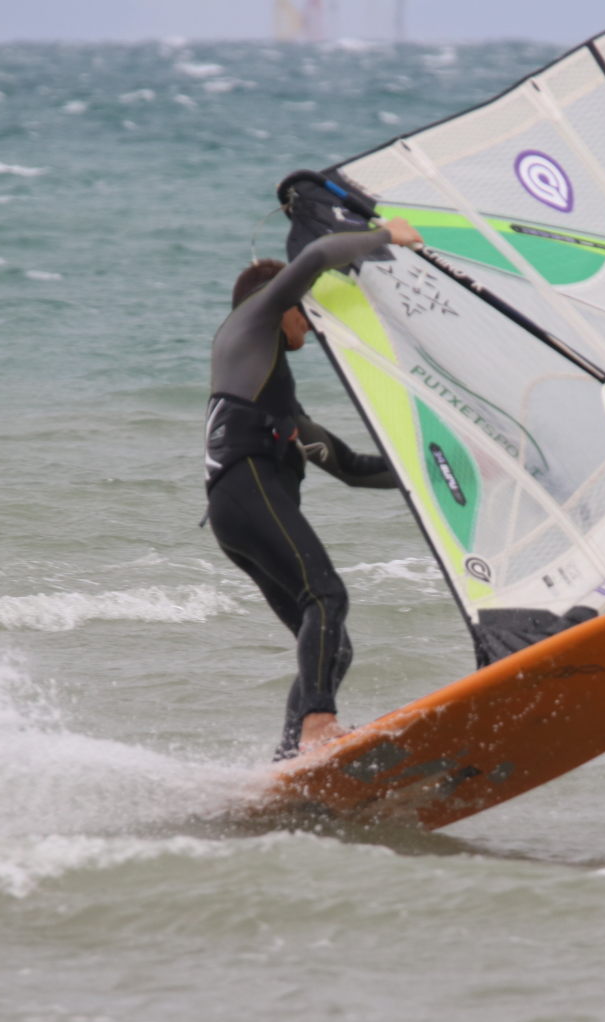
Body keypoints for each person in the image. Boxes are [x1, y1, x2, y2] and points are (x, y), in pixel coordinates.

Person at [204, 217, 421, 760]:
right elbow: (318, 256)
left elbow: (353, 468)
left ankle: (291, 759)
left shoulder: (275, 403)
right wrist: (386, 236)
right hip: (245, 490)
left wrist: (434, 474)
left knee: (333, 643)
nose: (311, 321)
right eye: (304, 308)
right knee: (326, 596)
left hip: (235, 511)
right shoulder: (252, 317)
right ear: (280, 302)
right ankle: (319, 725)